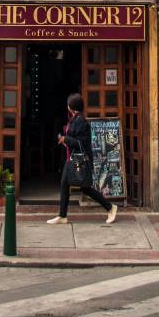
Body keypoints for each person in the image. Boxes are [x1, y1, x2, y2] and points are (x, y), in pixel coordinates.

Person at [46, 93, 117, 225]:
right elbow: (75, 141)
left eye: (68, 104)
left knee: (85, 188)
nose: (67, 106)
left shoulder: (81, 122)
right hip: (72, 159)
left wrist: (66, 139)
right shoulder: (75, 119)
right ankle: (62, 216)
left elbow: (81, 143)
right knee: (64, 184)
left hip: (81, 160)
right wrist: (65, 140)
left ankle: (110, 207)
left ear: (71, 107)